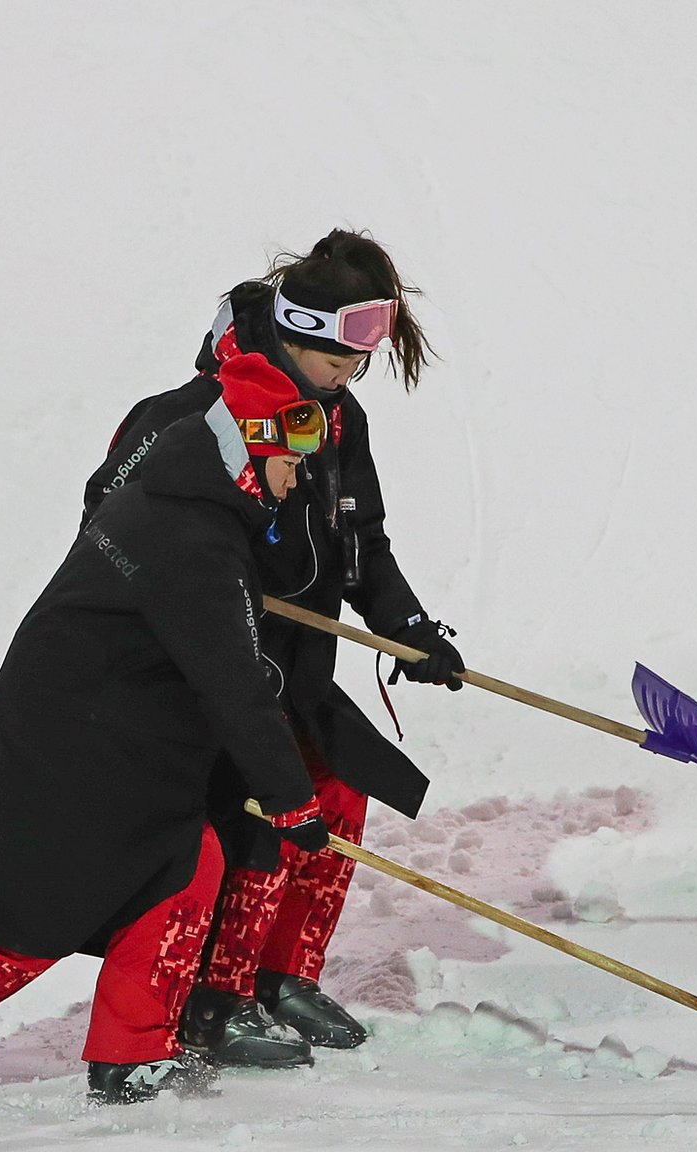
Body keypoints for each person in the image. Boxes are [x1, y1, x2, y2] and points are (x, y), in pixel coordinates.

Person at [0, 358, 337, 1105]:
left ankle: (130, 1053)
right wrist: (293, 803)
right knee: (50, 905)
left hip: (121, 730)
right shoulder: (191, 536)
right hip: (77, 738)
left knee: (187, 866)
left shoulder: (185, 497)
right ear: (249, 453)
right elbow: (234, 685)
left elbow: (213, 650)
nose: (296, 480)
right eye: (289, 464)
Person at [81, 229, 464, 1069]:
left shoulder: (335, 416)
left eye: (357, 366)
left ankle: (278, 975)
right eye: (338, 362)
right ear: (292, 335)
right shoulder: (194, 413)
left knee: (340, 795)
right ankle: (217, 997)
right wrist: (206, 588)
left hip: (294, 664)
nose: (348, 380)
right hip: (210, 676)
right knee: (264, 813)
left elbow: (358, 538)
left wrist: (407, 628)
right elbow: (111, 518)